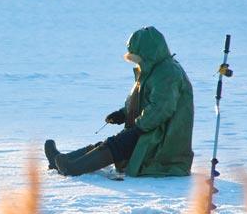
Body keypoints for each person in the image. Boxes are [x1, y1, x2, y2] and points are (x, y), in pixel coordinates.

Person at [45, 26, 194, 177]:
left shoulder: (168, 72)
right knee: (114, 143)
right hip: (151, 127)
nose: (136, 62)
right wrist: (123, 114)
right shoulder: (153, 70)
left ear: (148, 53)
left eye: (137, 57)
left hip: (164, 140)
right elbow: (143, 100)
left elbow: (161, 108)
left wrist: (137, 128)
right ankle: (63, 160)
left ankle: (72, 168)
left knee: (118, 144)